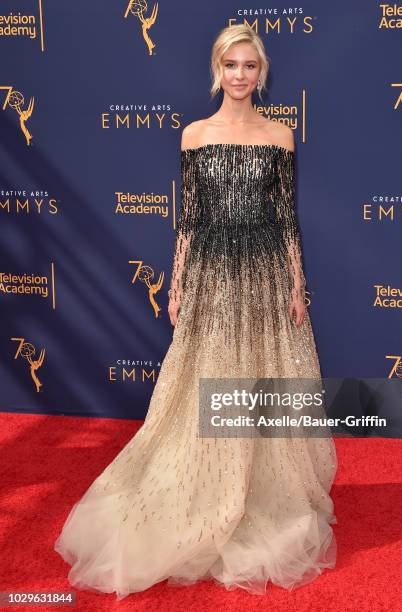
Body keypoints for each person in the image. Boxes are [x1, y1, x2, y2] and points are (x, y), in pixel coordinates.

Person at [54, 24, 338, 600]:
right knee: (205, 381)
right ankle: (207, 490)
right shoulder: (194, 136)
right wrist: (177, 284)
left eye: (249, 66)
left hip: (262, 274)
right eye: (231, 65)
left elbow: (287, 220)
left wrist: (297, 286)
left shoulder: (281, 137)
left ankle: (256, 487)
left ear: (262, 73)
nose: (240, 76)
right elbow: (187, 218)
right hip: (210, 274)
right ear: (217, 69)